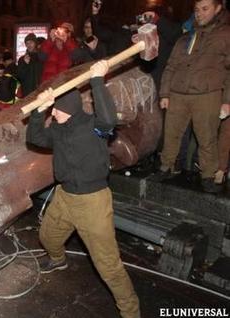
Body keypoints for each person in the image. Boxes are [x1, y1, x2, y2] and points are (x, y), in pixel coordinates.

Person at [26, 60, 140, 318]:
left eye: (56, 109)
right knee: (48, 237)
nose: (53, 113)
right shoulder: (58, 127)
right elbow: (35, 138)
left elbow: (109, 119)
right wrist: (38, 112)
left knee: (108, 266)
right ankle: (58, 260)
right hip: (65, 195)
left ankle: (131, 311)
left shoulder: (94, 127)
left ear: (68, 109)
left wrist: (98, 80)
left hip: (93, 202)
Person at [154, 0, 230, 193]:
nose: (199, 13)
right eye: (196, 10)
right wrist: (165, 93)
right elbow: (171, 66)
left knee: (207, 138)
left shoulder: (226, 35)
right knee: (171, 133)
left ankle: (208, 176)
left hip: (208, 94)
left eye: (205, 9)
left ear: (218, 8)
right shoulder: (186, 37)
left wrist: (227, 100)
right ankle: (166, 167)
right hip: (178, 93)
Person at [17, 33, 43, 97]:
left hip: (40, 91)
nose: (29, 45)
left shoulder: (41, 57)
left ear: (35, 43)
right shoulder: (22, 59)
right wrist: (25, 64)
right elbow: (20, 76)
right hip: (27, 93)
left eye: (31, 42)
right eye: (27, 43)